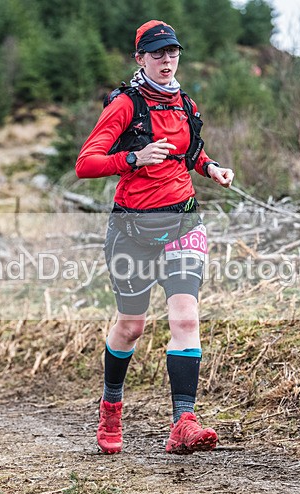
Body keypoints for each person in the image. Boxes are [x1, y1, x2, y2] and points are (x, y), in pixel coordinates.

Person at [76, 20, 235, 455]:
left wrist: (212, 169)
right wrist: (134, 157)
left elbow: (191, 152)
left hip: (183, 222)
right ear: (140, 59)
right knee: (131, 327)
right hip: (131, 231)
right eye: (158, 53)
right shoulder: (125, 106)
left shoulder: (186, 103)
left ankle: (183, 421)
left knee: (185, 318)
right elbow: (86, 163)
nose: (167, 60)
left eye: (173, 52)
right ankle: (111, 406)